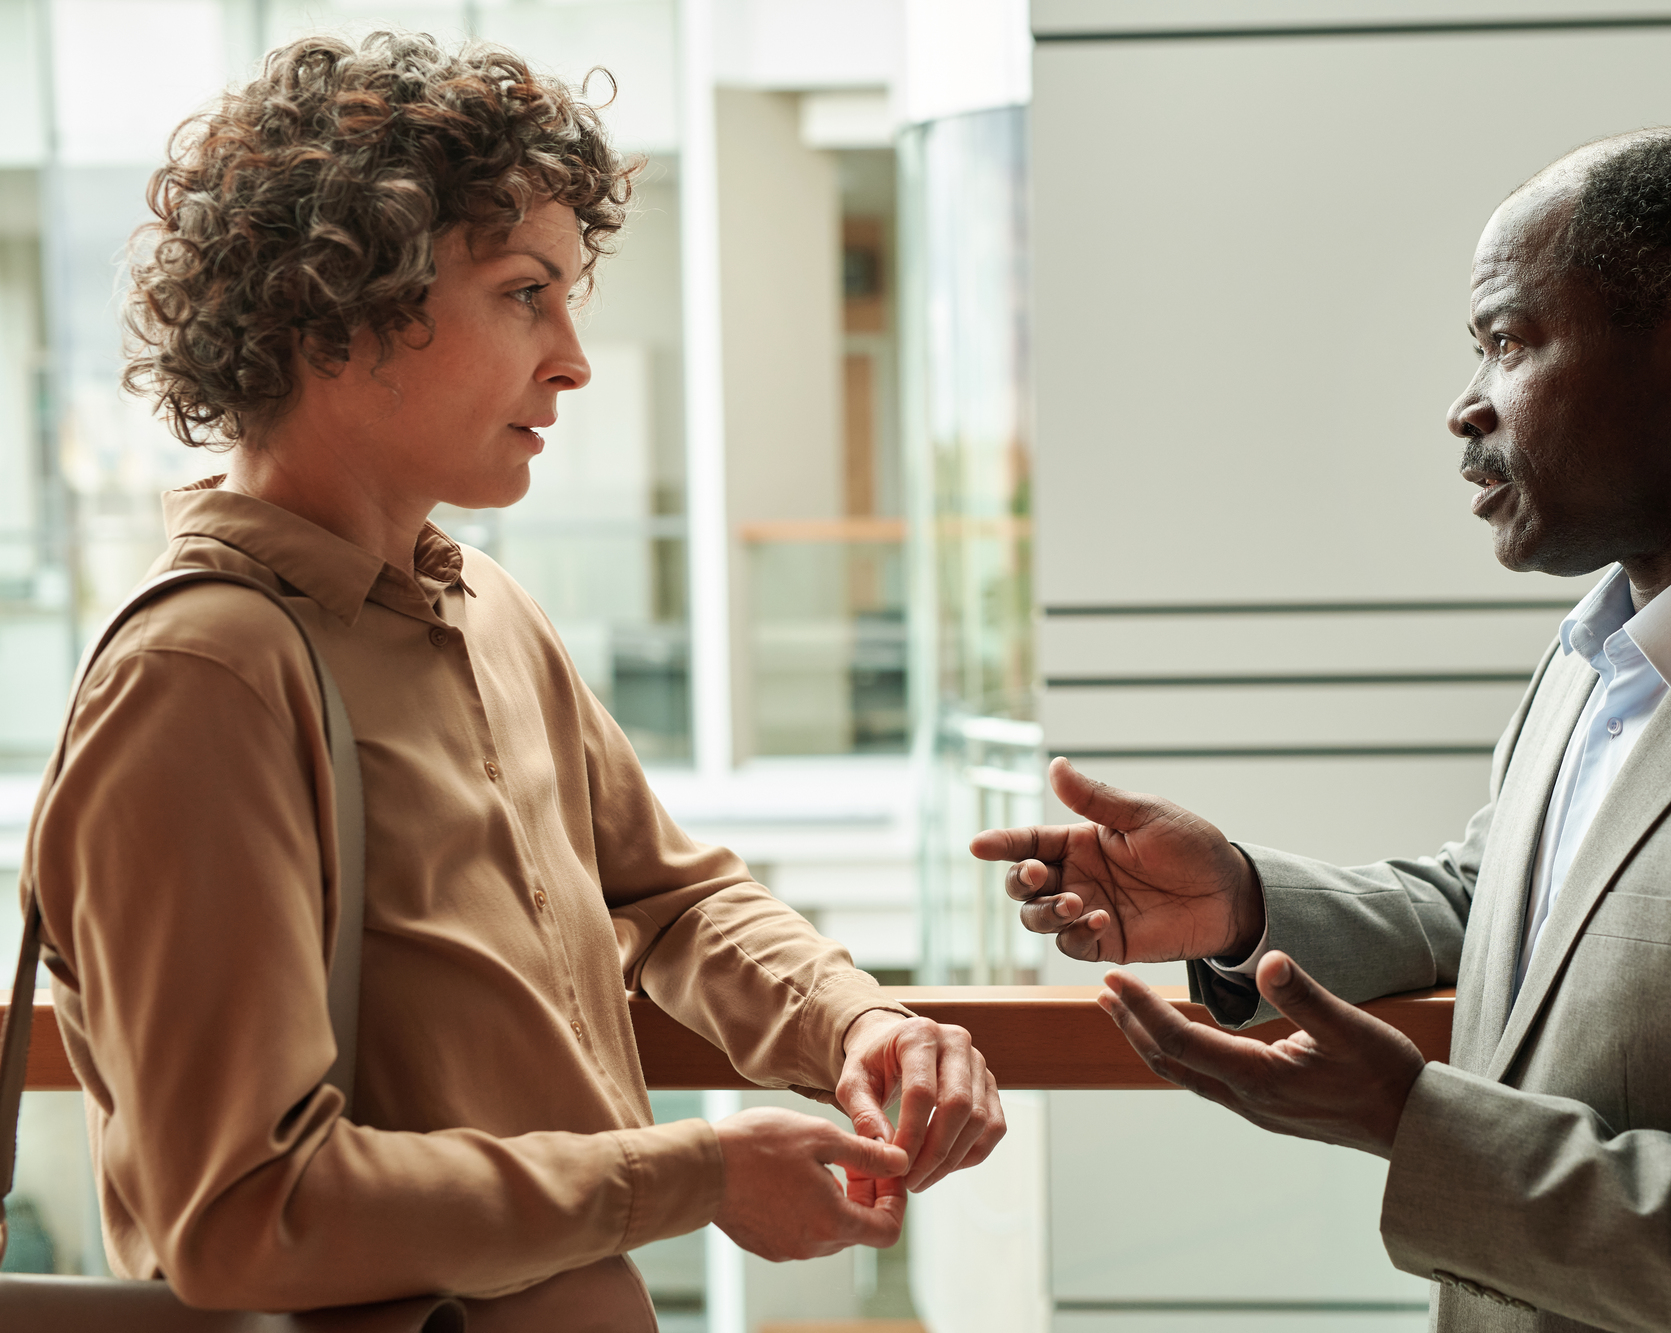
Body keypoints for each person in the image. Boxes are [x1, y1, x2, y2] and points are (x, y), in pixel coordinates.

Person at [22, 32, 1002, 1324]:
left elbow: (669, 894)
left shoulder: (483, 611)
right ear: (343, 312)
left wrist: (854, 1023)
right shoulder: (203, 679)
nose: (575, 358)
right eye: (524, 293)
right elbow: (249, 1212)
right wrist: (697, 1174)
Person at [973, 128, 1671, 1332]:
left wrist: (1419, 1126)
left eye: (1508, 342)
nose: (1464, 408)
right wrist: (1244, 905)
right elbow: (1514, 904)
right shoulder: (1599, 652)